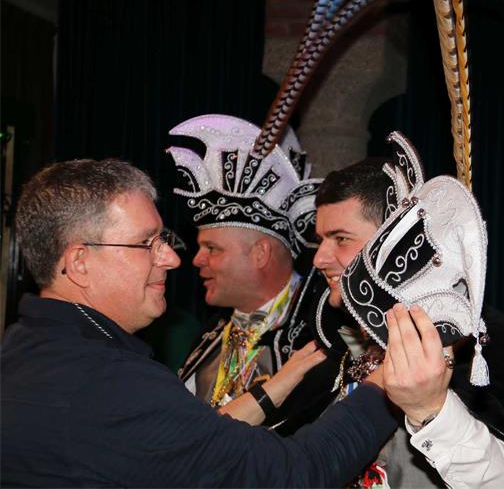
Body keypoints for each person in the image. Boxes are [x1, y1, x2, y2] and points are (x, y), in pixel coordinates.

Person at [0, 158, 397, 487]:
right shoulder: (112, 383)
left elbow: (197, 439)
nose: (173, 259)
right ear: (80, 263)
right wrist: (386, 380)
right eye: (147, 243)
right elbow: (292, 474)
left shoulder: (19, 349)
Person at [311, 139, 504, 488]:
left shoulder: (479, 342)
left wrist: (431, 410)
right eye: (320, 240)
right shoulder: (353, 341)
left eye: (340, 239)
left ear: (393, 239)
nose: (319, 258)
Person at [166, 114, 340, 431]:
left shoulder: (321, 333)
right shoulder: (209, 338)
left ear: (260, 253)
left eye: (212, 248)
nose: (197, 260)